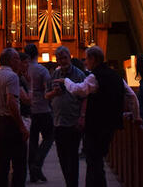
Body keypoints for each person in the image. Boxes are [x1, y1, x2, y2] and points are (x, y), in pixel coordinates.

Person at [61, 46, 140, 187]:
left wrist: (66, 81)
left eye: (87, 59)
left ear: (93, 59)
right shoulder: (116, 75)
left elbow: (78, 90)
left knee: (94, 160)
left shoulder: (94, 76)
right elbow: (132, 96)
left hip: (96, 125)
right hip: (111, 124)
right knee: (97, 160)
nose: (85, 62)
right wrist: (136, 116)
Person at [0, 48, 28, 187]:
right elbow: (11, 102)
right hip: (11, 124)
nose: (19, 62)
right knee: (19, 165)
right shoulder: (12, 77)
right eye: (17, 59)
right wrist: (21, 126)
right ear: (11, 61)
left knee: (2, 165)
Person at [45, 46, 86, 187]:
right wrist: (54, 94)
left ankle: (72, 183)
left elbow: (85, 97)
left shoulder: (79, 74)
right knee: (62, 156)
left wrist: (82, 116)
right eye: (60, 59)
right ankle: (69, 182)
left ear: (70, 57)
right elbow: (47, 95)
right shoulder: (55, 75)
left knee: (72, 156)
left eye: (64, 58)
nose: (62, 61)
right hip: (58, 121)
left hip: (73, 120)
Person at [24, 44, 53, 182]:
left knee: (33, 141)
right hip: (42, 108)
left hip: (30, 110)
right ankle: (37, 162)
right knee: (50, 136)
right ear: (37, 54)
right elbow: (48, 89)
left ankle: (33, 173)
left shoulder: (23, 69)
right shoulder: (42, 70)